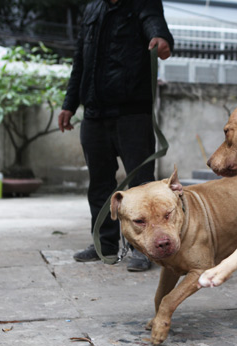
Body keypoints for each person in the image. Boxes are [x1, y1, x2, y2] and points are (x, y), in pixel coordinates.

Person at [58, 0, 173, 271]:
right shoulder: (92, 10)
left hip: (132, 114)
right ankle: (105, 244)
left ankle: (144, 249)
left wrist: (161, 40)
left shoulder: (143, 3)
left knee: (142, 185)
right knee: (99, 183)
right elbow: (80, 62)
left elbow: (156, 27)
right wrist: (68, 105)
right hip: (95, 114)